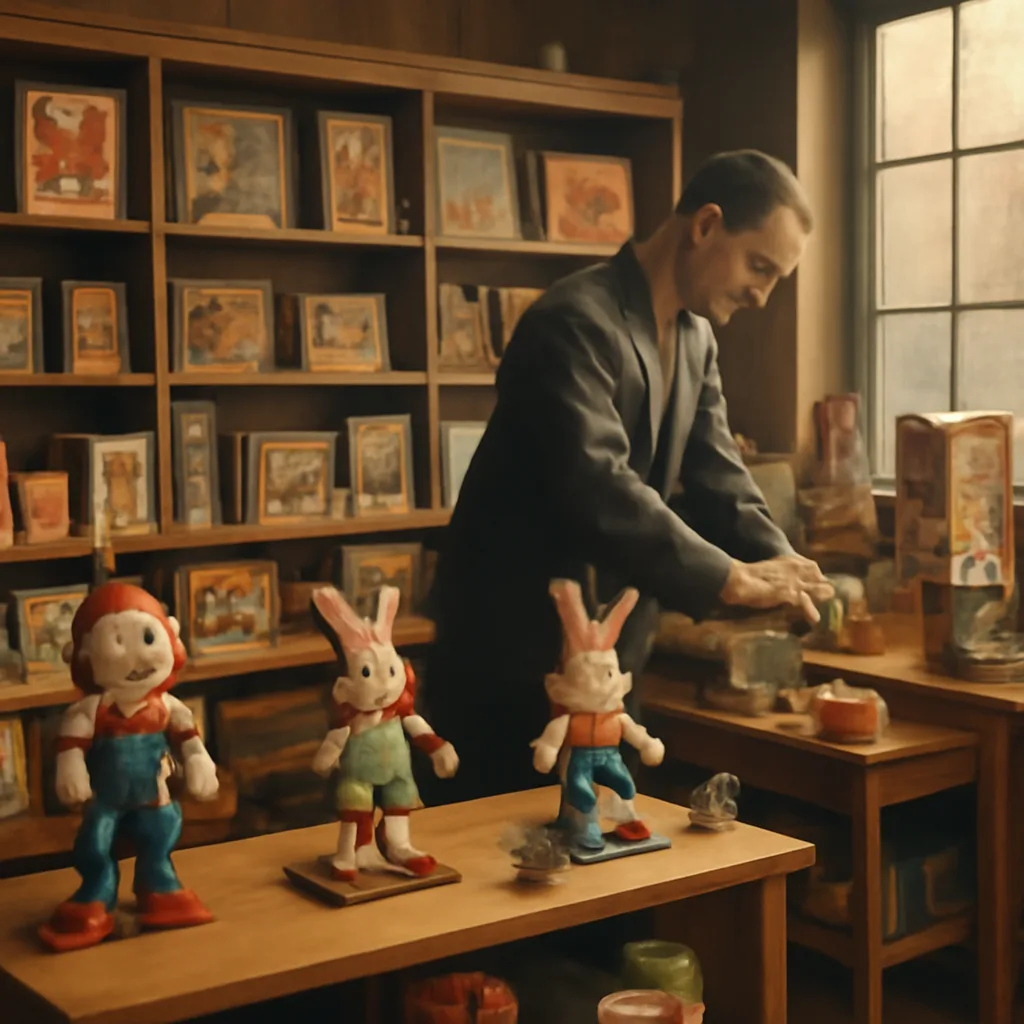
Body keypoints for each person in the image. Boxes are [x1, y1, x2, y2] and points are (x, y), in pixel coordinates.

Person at [419, 149, 834, 805]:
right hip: (511, 661)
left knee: (612, 871)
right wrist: (731, 578)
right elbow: (599, 487)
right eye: (759, 267)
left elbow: (719, 477)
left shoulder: (696, 339)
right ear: (705, 225)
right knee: (500, 876)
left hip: (610, 662)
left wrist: (787, 568)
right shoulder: (571, 320)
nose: (762, 294)